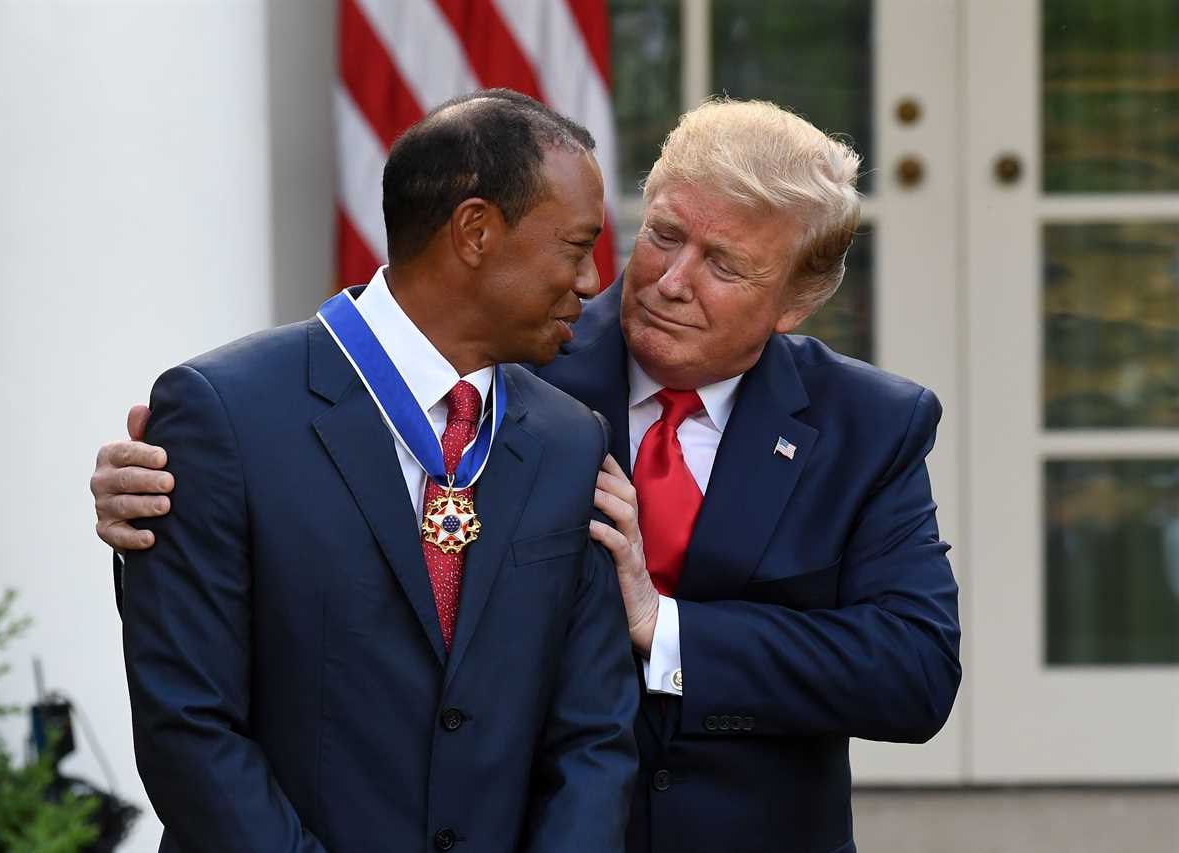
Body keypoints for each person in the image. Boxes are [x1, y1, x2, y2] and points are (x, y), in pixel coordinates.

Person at [93, 97, 961, 853]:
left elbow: (915, 669)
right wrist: (171, 477)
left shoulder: (870, 426)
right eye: (661, 236)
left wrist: (665, 629)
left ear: (797, 299)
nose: (665, 280)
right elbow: (328, 420)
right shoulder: (515, 359)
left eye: (725, 265)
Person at [108, 90, 639, 853]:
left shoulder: (569, 440)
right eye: (576, 246)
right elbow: (188, 725)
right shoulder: (222, 414)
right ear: (476, 230)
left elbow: (593, 737)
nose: (592, 283)